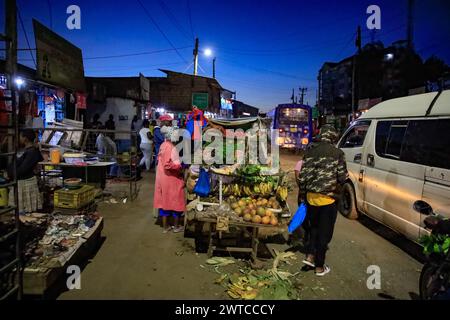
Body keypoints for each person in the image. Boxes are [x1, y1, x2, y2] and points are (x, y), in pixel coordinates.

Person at [298, 125, 348, 276]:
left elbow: (302, 177)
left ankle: (310, 255)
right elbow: (342, 177)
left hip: (311, 198)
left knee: (314, 228)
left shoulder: (310, 151)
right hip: (328, 199)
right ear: (332, 137)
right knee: (324, 233)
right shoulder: (338, 153)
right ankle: (319, 266)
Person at [153, 125, 186, 233]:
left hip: (164, 177)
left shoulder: (164, 144)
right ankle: (175, 227)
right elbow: (168, 165)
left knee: (165, 201)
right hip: (170, 178)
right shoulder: (169, 147)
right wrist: (179, 167)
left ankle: (165, 227)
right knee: (176, 200)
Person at [7, 129, 43, 213]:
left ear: (25, 139)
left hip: (25, 181)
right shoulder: (26, 150)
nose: (19, 138)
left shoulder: (32, 152)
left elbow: (22, 169)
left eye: (20, 136)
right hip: (21, 180)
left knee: (26, 213)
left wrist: (11, 173)